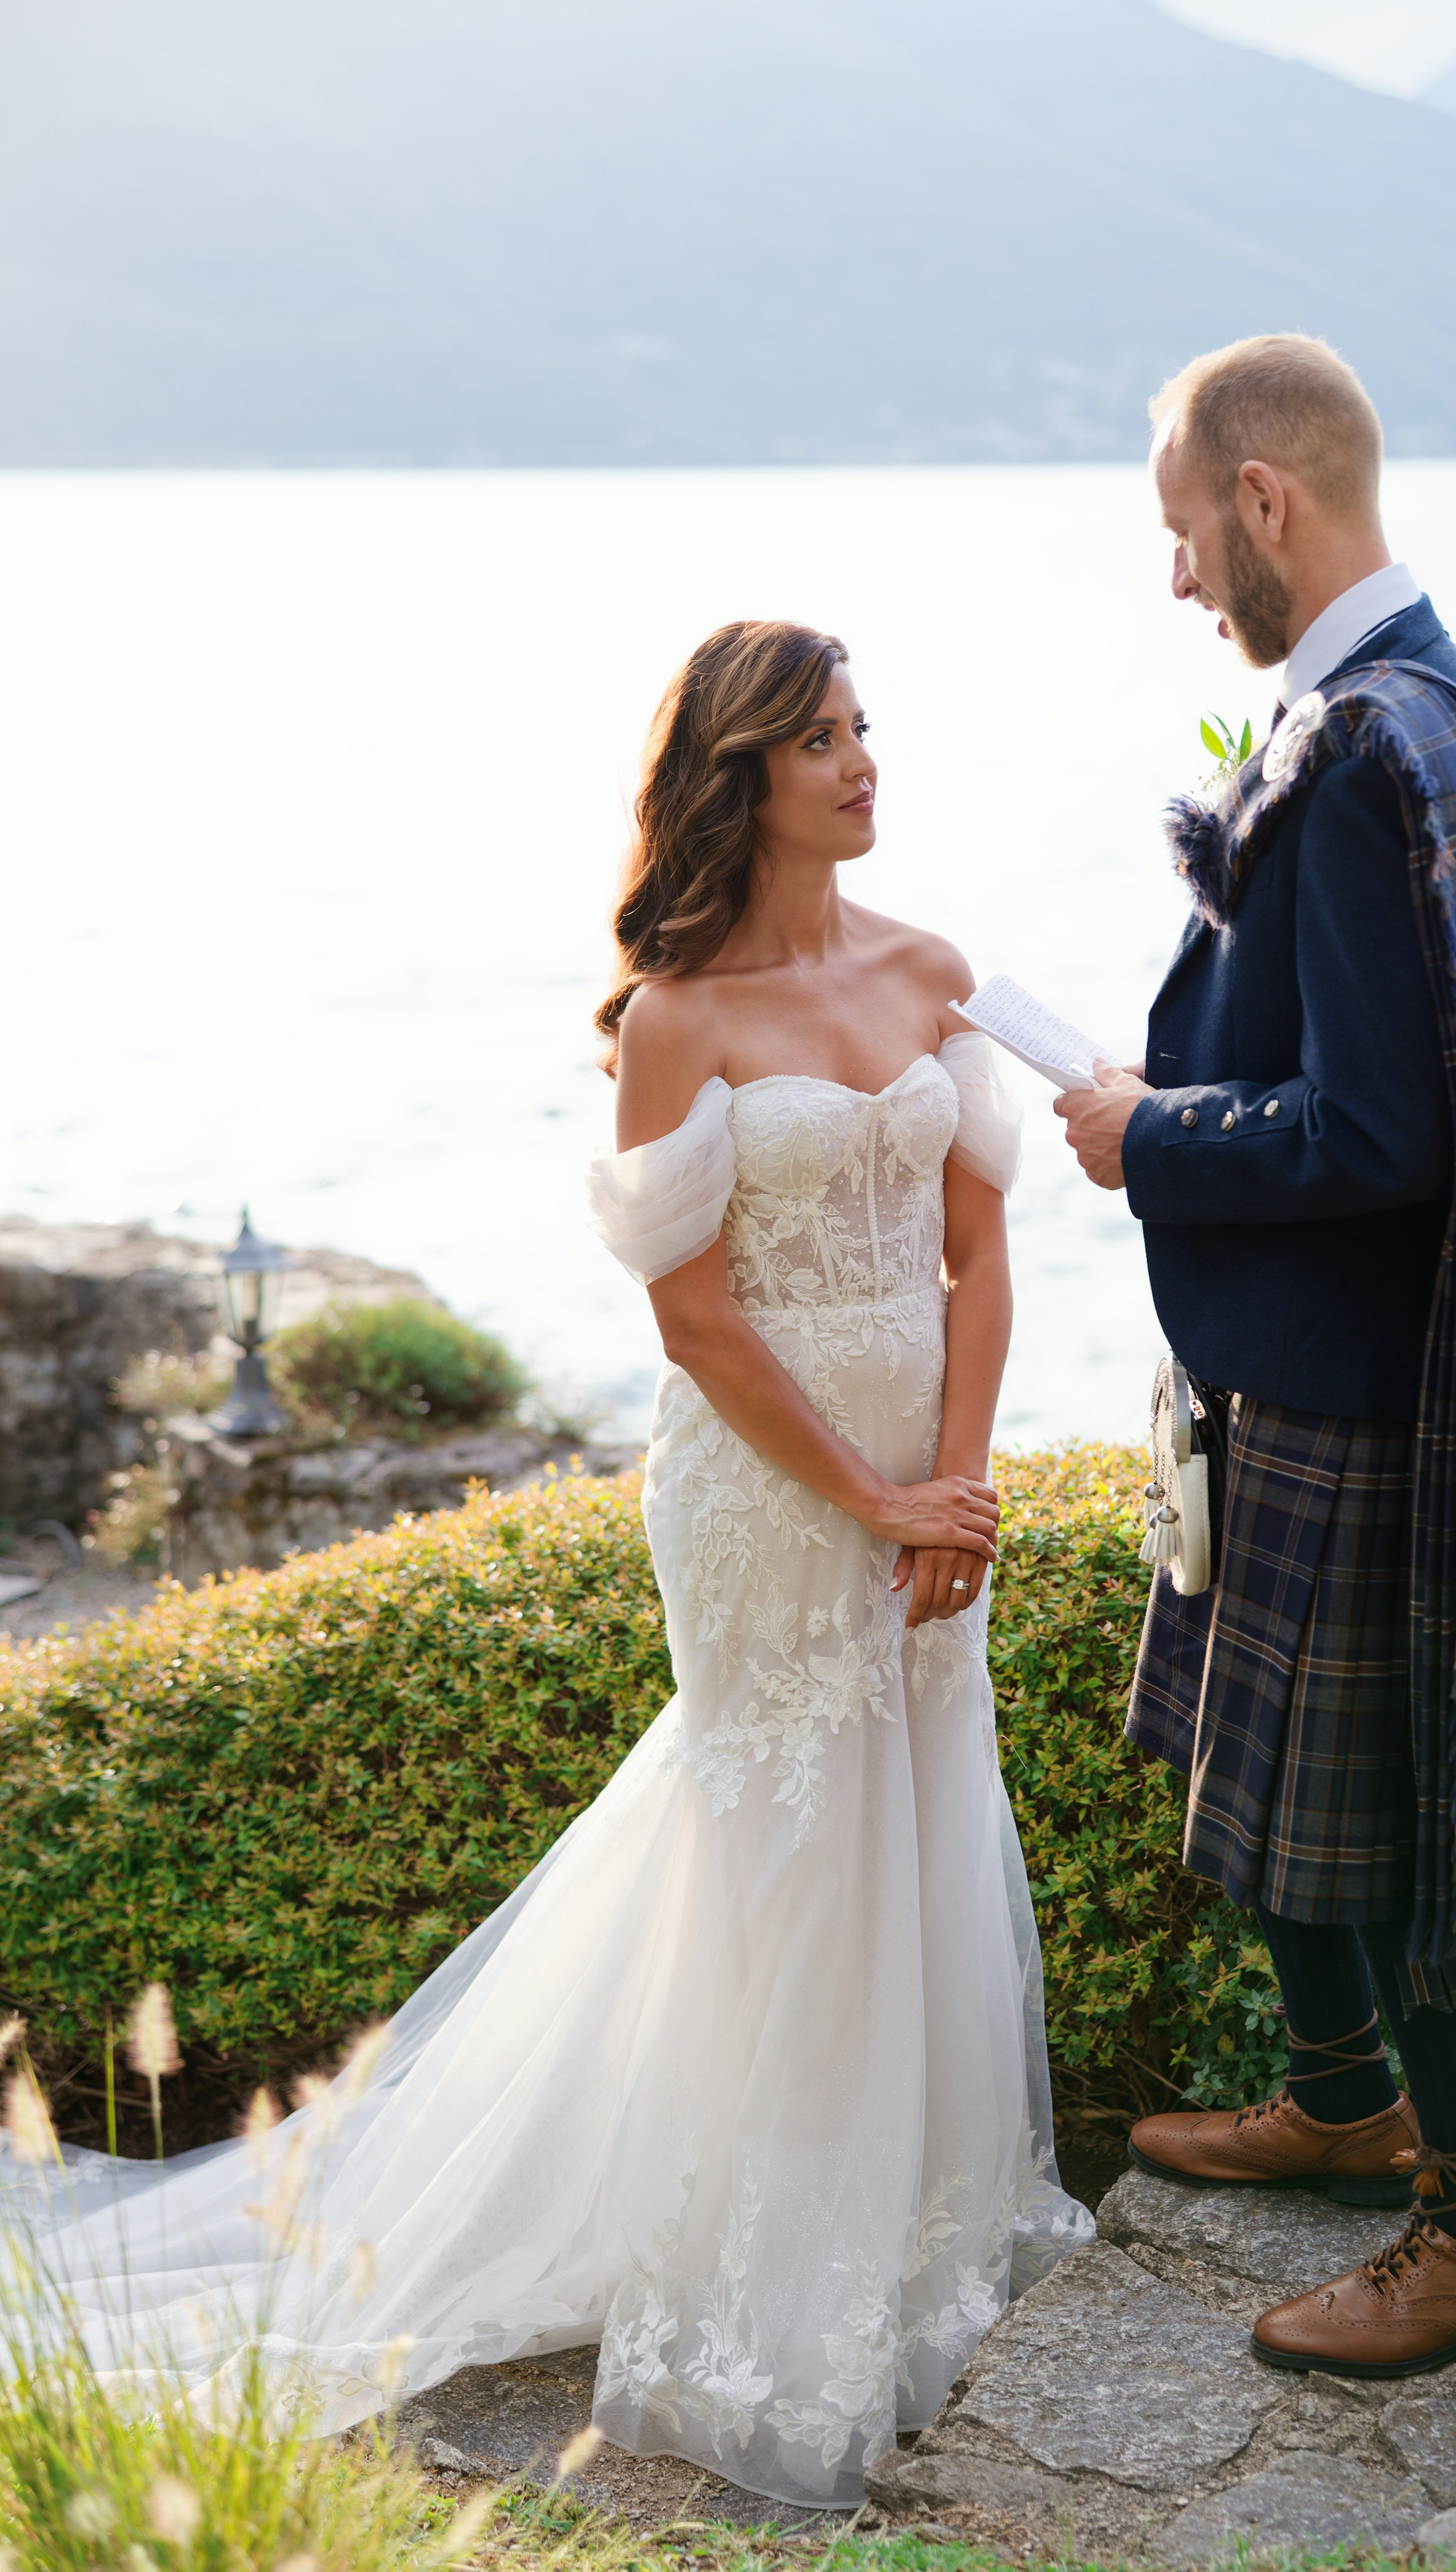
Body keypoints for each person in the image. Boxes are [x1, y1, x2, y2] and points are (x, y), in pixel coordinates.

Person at [7, 619, 1090, 2510]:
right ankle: (770, 2291)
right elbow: (694, 1325)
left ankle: (923, 2234)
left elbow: (982, 1253)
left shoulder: (934, 972)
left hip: (930, 1476)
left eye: (865, 730)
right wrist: (871, 1497)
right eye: (824, 741)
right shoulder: (678, 1015)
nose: (864, 764)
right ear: (740, 777)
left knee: (921, 1808)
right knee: (787, 1847)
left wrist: (964, 1482)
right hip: (766, 1493)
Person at [1055, 336, 1456, 2376]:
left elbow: (1380, 1134)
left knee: (1375, 1808)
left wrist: (1144, 1134)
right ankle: (1340, 2089)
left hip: (1361, 1382)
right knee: (1282, 1785)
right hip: (1307, 1352)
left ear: (1264, 501)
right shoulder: (1408, 706)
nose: (1181, 577)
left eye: (1185, 531)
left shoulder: (1370, 744)